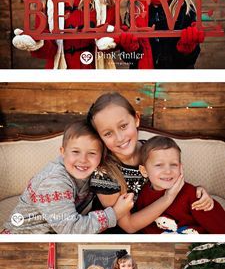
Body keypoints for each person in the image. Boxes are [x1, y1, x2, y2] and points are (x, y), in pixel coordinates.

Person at [88, 92, 214, 232]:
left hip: (159, 223)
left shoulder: (152, 151)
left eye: (123, 126)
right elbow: (129, 226)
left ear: (136, 119)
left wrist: (198, 190)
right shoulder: (103, 174)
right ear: (100, 137)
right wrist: (168, 198)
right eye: (108, 133)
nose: (119, 138)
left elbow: (171, 179)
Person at [3, 116, 134, 234]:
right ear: (63, 152)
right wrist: (114, 214)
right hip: (22, 239)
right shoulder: (53, 182)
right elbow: (71, 229)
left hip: (53, 235)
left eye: (92, 153)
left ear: (101, 156)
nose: (83, 159)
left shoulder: (95, 171)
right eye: (76, 151)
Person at [136, 134, 225, 234]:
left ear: (181, 167)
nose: (168, 171)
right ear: (144, 171)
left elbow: (220, 228)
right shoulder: (143, 194)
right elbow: (141, 228)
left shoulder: (193, 195)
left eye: (173, 165)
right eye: (159, 165)